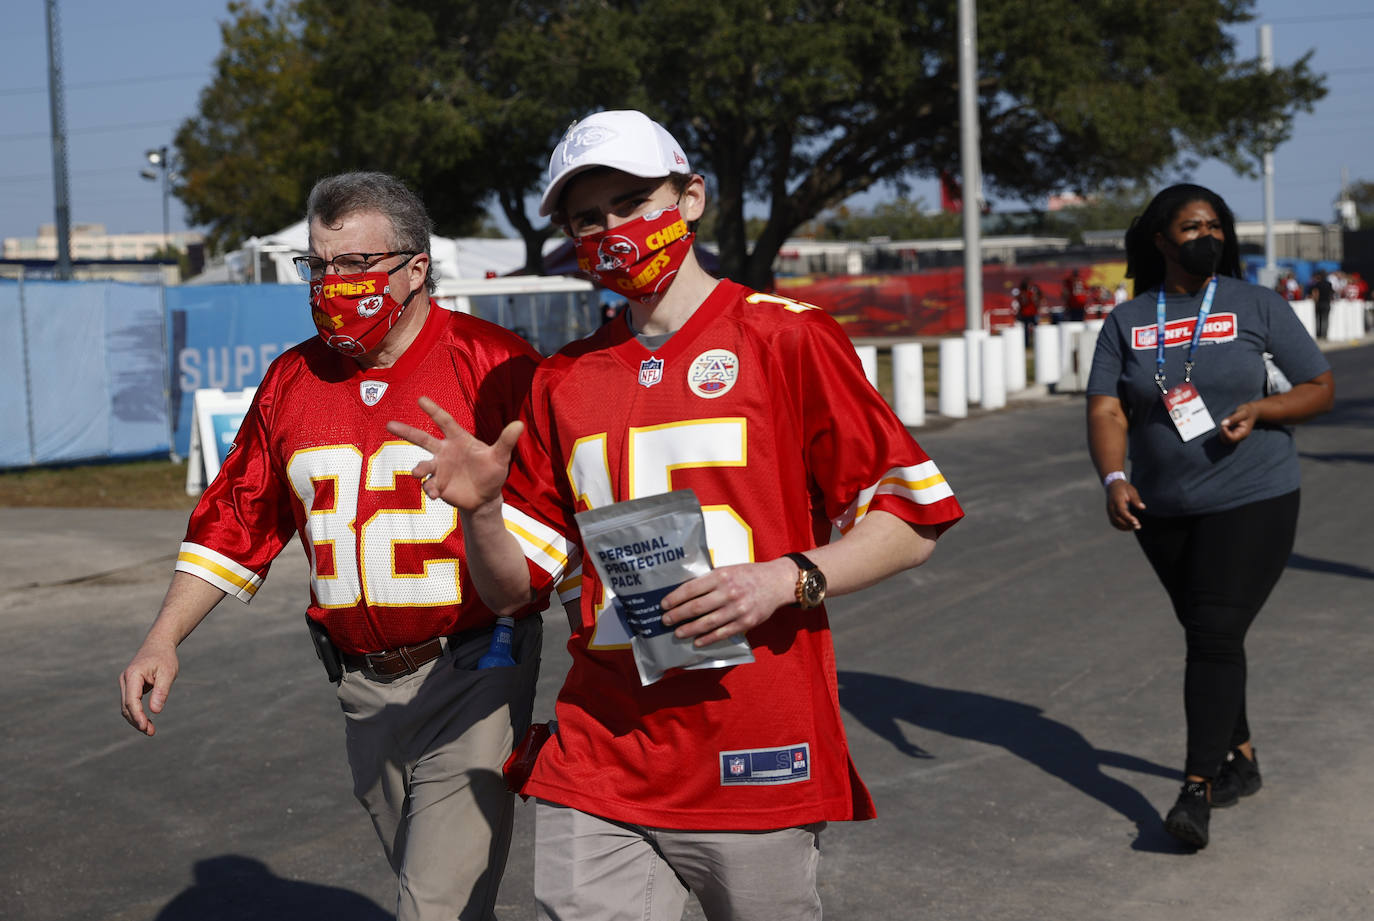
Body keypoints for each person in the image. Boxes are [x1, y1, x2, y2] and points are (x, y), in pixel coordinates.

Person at [388, 109, 965, 920]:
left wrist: (784, 579)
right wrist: (482, 512)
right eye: (588, 217)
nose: (612, 228)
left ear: (691, 197)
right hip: (602, 746)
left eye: (632, 201)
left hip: (754, 736)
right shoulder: (562, 380)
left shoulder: (786, 337)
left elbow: (911, 519)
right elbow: (517, 587)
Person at [118, 171, 544, 921]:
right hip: (362, 688)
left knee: (431, 905)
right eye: (318, 265)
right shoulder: (293, 378)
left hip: (476, 664)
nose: (330, 285)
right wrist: (163, 635)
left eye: (354, 265)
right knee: (444, 895)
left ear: (416, 269)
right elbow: (238, 514)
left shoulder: (495, 365)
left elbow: (557, 517)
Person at [1085, 183, 1334, 850]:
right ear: (1161, 240)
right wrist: (1113, 476)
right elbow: (1107, 407)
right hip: (1163, 506)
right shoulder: (1129, 318)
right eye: (1193, 226)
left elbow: (1318, 385)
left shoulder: (1257, 303)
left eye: (1217, 226)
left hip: (1256, 494)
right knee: (1208, 630)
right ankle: (1242, 756)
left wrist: (1263, 410)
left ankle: (1197, 788)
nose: (1210, 236)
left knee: (1216, 630)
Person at [1307, 269, 1334, 339]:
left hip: (1319, 303)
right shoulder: (1329, 284)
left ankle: (1318, 334)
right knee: (1325, 319)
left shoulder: (1317, 284)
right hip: (1326, 303)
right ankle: (1324, 335)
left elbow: (1315, 293)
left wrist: (1315, 302)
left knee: (1318, 319)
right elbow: (1331, 294)